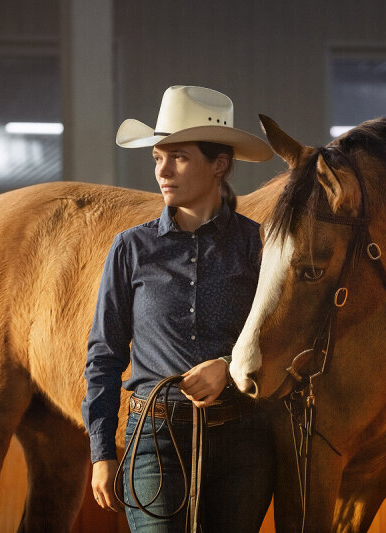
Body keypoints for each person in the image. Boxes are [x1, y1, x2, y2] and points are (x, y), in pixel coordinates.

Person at [81, 85, 275, 533]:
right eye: (158, 158)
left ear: (219, 164)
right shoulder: (131, 249)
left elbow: (282, 337)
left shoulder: (259, 246)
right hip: (155, 440)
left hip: (243, 443)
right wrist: (102, 452)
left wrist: (228, 366)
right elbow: (104, 356)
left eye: (179, 158)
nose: (162, 170)